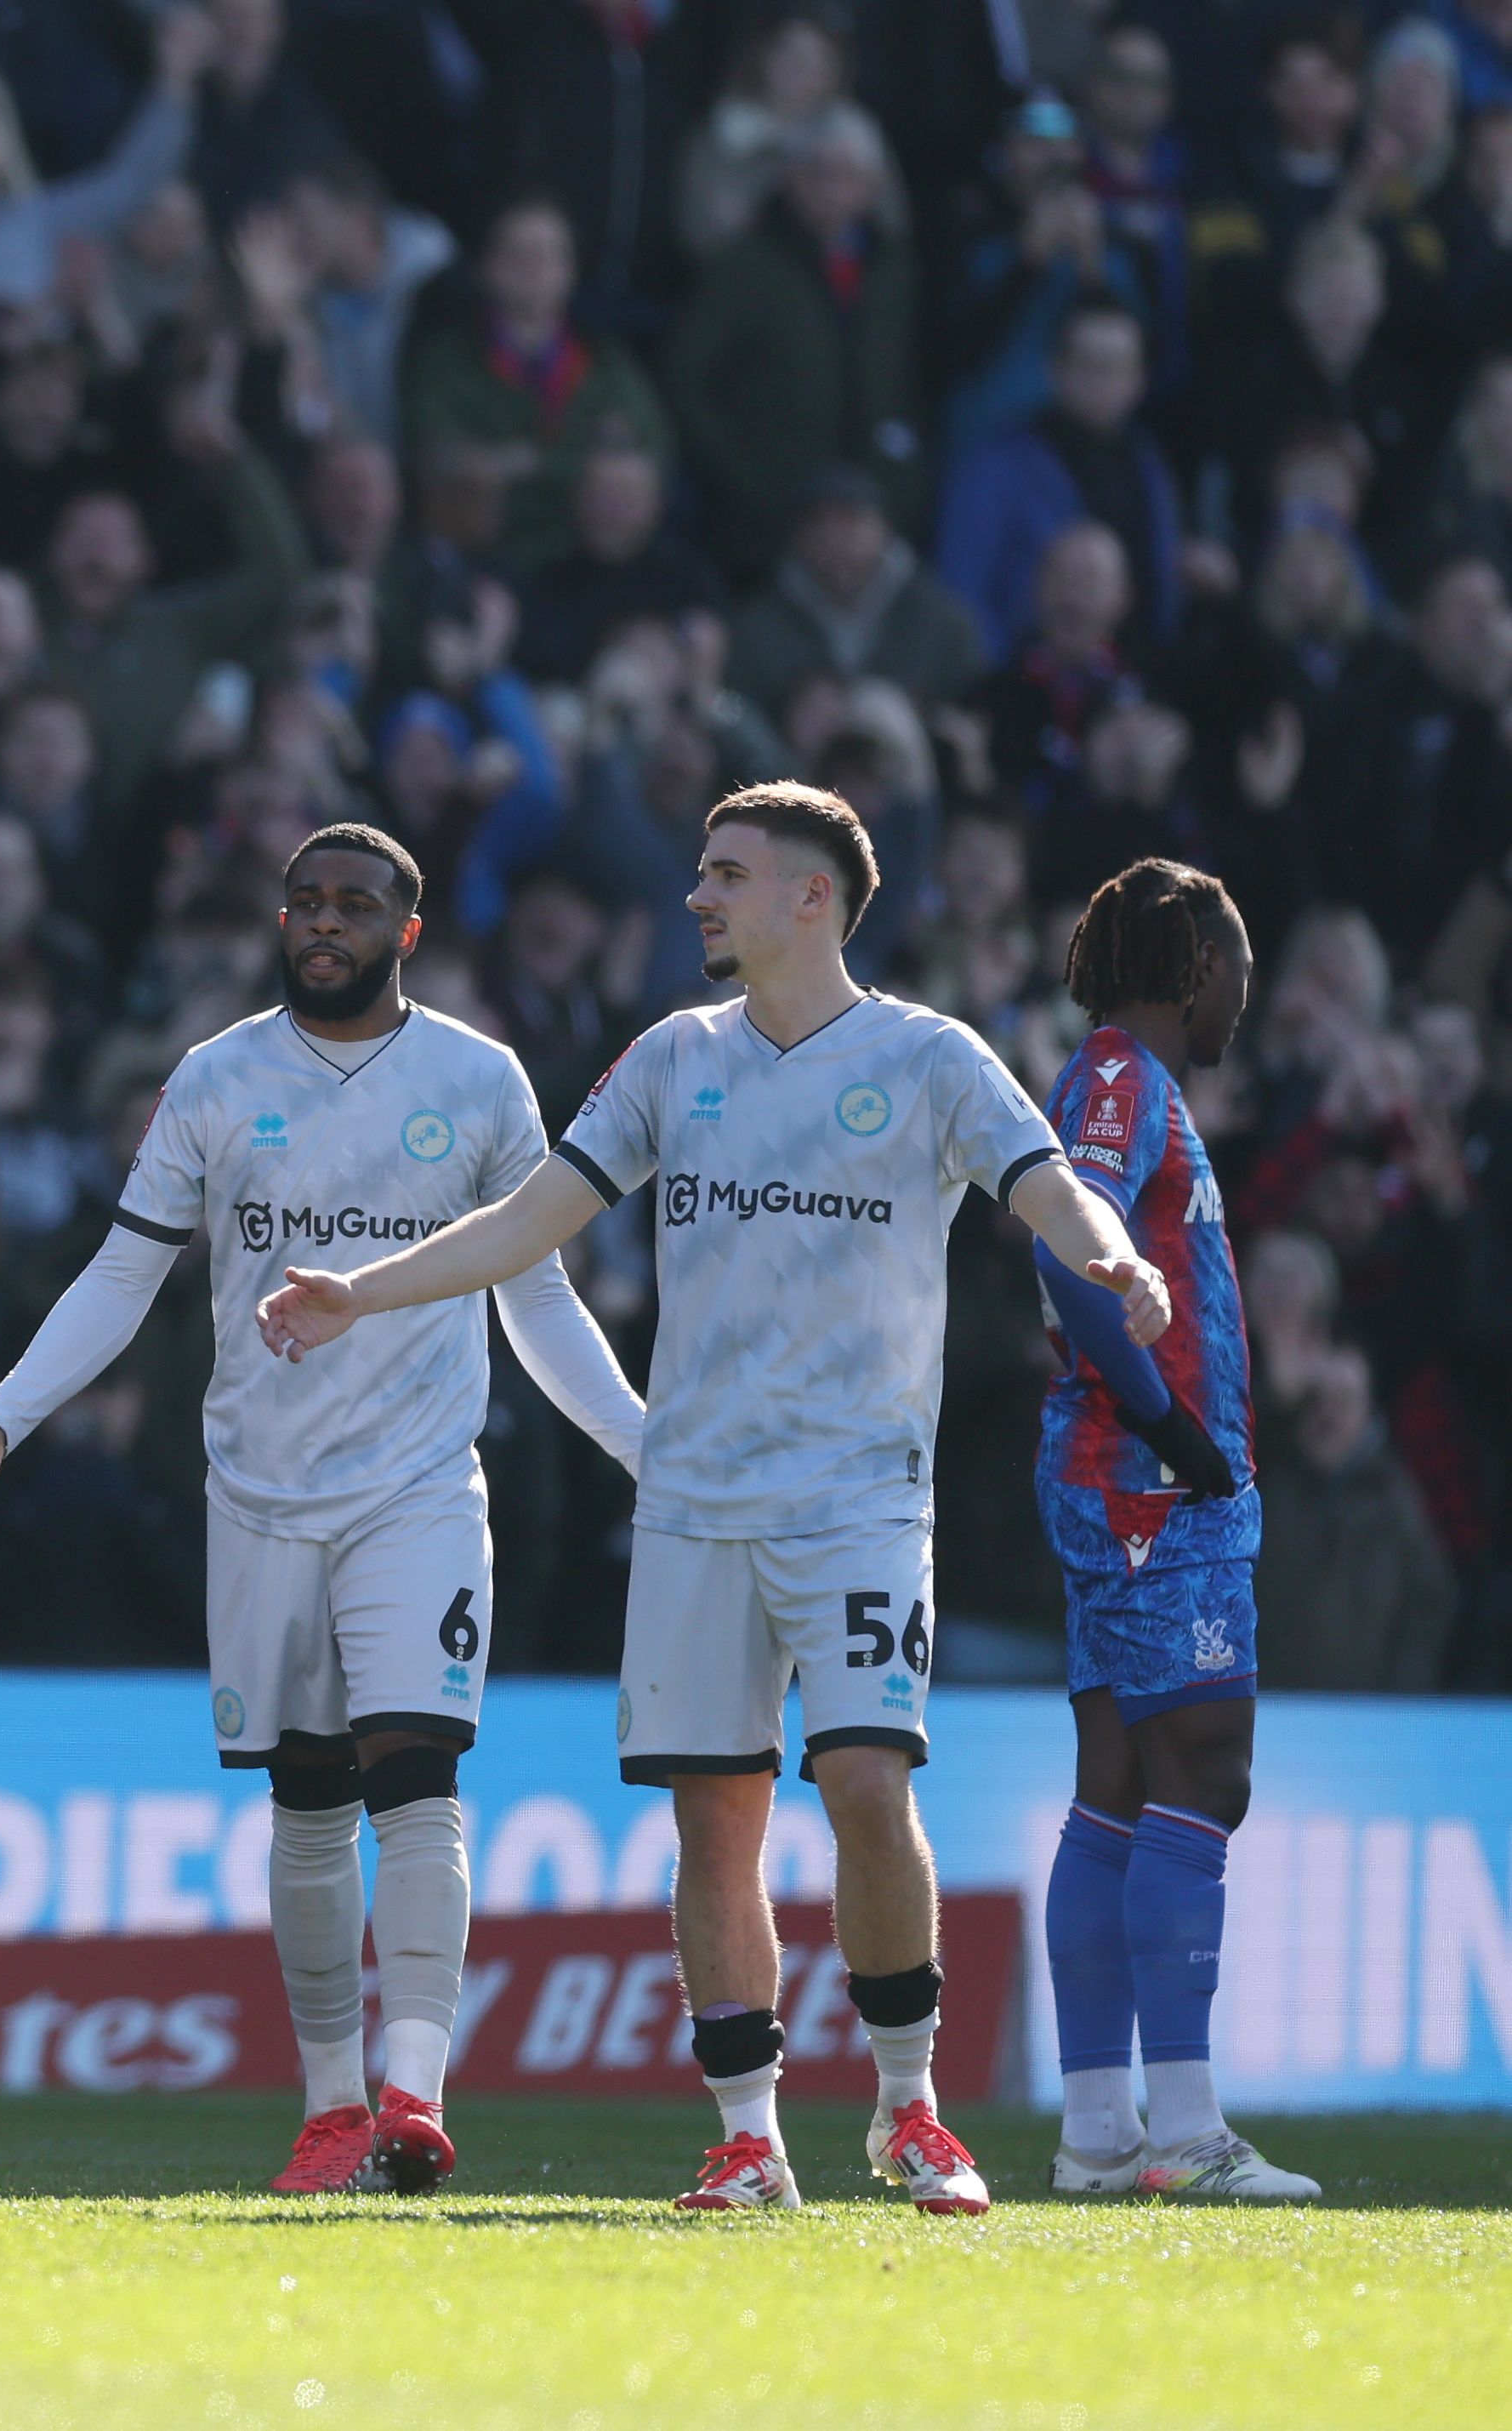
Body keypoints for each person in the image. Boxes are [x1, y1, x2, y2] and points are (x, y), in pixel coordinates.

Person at [255, 783, 1179, 2217]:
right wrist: (355, 1292)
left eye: (728, 874)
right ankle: (749, 2132)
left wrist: (1111, 1258)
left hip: (861, 1494)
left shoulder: (928, 1057)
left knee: (870, 1784)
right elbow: (528, 1223)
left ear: (814, 896)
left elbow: (1048, 1183)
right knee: (716, 1821)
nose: (700, 896)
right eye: (700, 873)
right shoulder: (671, 1057)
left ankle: (908, 2106)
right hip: (693, 1501)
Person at [0, 824, 646, 2199]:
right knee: (309, 1802)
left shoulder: (480, 1080)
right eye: (304, 898)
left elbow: (537, 1297)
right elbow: (122, 1279)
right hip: (258, 1491)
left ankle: (416, 2091)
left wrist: (642, 1448)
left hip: (420, 1483)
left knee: (417, 1771)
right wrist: (1, 1416)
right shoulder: (216, 1076)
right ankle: (329, 2106)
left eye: (355, 903)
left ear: (407, 932)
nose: (322, 920)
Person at [1029, 859, 1318, 2203]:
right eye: (1241, 967)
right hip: (1150, 1486)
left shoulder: (1131, 1082)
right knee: (1206, 1774)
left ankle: (1099, 2133)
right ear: (1199, 963)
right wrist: (1172, 1428)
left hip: (1123, 1479)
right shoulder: (1118, 1079)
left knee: (1122, 1789)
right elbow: (1063, 1248)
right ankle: (1187, 2135)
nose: (1245, 995)